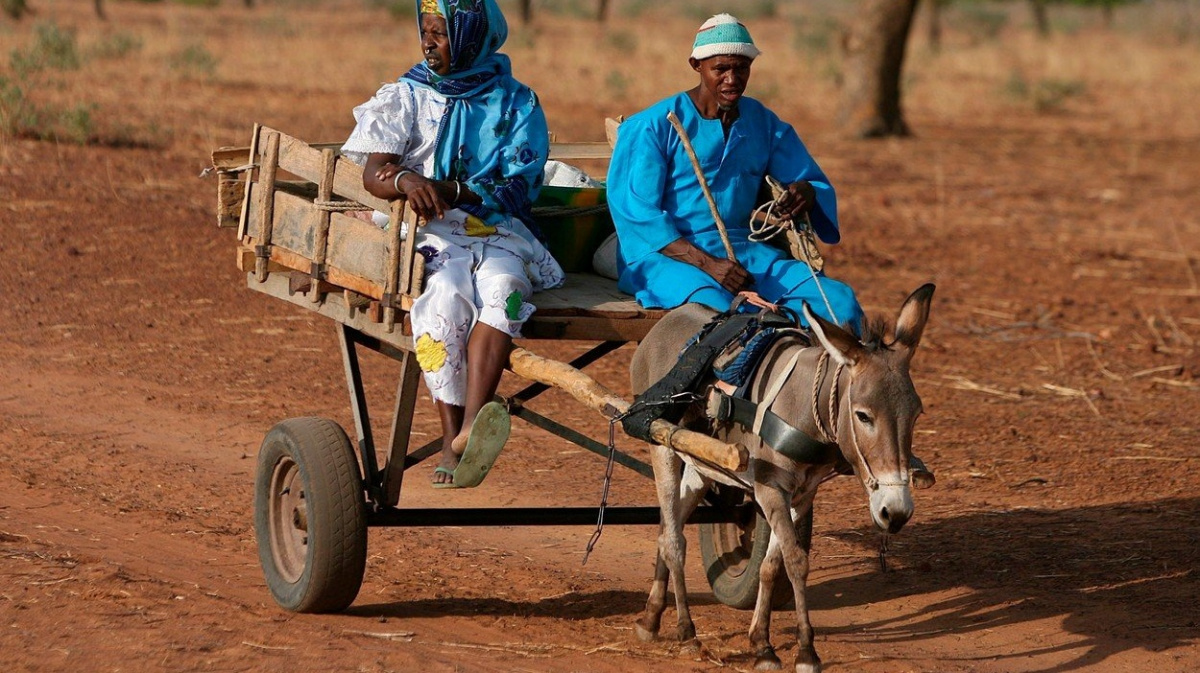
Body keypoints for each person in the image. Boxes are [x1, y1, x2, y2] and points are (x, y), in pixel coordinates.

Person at [341, 0, 562, 488]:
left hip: (496, 227)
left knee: (506, 289)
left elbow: (522, 185)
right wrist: (406, 183)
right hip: (427, 231)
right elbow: (375, 174)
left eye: (441, 34)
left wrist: (456, 191)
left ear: (470, 37)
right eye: (426, 32)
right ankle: (450, 435)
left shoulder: (517, 103)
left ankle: (470, 427)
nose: (429, 43)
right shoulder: (406, 95)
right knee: (445, 298)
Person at [606, 13, 863, 334]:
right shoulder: (653, 125)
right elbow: (635, 213)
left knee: (839, 302)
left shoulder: (762, 122)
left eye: (741, 68)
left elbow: (810, 180)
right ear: (696, 65)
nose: (732, 79)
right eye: (721, 69)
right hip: (668, 259)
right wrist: (707, 264)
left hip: (745, 253)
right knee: (718, 311)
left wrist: (807, 192)